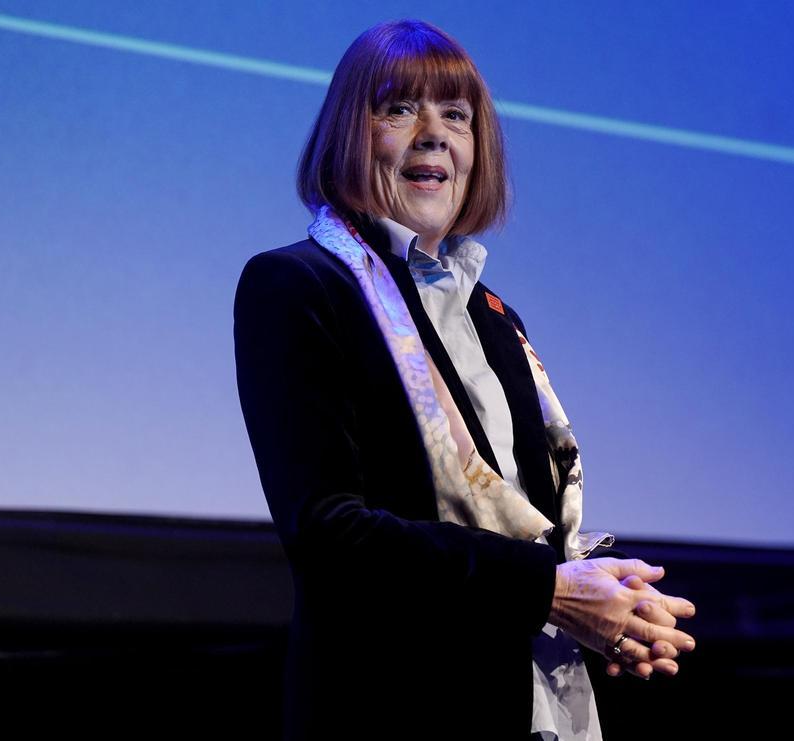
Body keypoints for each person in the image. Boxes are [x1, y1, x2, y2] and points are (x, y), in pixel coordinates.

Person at [233, 19, 697, 740]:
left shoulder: (495, 318)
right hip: (391, 710)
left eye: (457, 115)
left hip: (521, 707)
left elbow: (523, 519)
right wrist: (551, 592)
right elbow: (330, 534)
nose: (434, 134)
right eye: (398, 108)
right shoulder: (297, 286)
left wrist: (618, 603)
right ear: (347, 133)